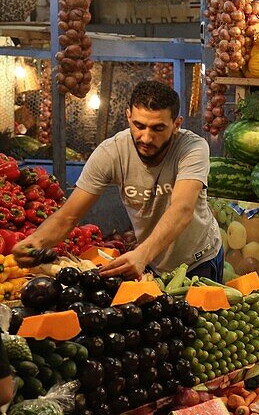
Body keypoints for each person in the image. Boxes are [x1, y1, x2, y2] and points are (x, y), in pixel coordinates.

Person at [14, 81, 223, 281]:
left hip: (198, 259)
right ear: (128, 116)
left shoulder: (193, 148)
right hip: (152, 260)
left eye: (158, 128)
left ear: (176, 125)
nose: (146, 138)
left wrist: (142, 254)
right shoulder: (111, 152)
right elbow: (68, 216)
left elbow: (183, 208)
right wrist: (36, 241)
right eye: (139, 126)